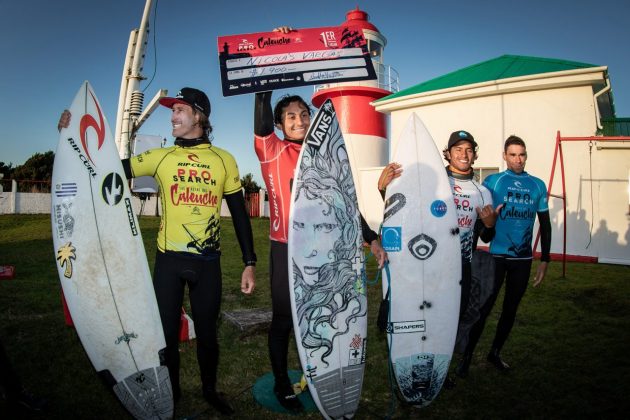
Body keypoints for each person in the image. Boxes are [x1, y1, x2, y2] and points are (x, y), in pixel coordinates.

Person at [58, 87, 256, 416]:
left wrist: (250, 263)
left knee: (208, 334)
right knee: (165, 336)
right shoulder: (160, 157)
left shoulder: (224, 160)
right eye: (172, 111)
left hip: (208, 263)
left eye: (179, 110)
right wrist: (69, 137)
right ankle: (173, 393)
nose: (172, 117)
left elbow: (239, 214)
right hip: (169, 261)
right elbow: (104, 168)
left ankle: (210, 390)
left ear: (199, 116)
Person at [254, 26, 387, 412]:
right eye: (290, 116)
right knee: (284, 319)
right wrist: (277, 50)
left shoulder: (327, 158)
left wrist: (370, 237)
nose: (298, 119)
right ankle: (281, 382)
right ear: (280, 125)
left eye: (303, 113)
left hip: (328, 251)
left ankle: (319, 374)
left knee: (322, 318)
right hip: (285, 249)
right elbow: (261, 108)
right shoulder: (271, 150)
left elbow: (346, 205)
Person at [377, 130, 498, 382]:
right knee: (422, 314)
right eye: (458, 149)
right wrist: (382, 189)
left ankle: (439, 370)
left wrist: (489, 223)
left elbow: (486, 237)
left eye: (468, 149)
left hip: (460, 266)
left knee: (449, 318)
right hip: (428, 263)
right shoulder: (431, 181)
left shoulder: (482, 191)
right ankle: (413, 360)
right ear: (447, 153)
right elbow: (403, 210)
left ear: (474, 155)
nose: (463, 154)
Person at [458, 135, 551, 375]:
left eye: (522, 154)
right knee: (483, 308)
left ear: (526, 155)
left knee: (510, 310)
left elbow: (546, 225)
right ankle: (465, 358)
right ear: (504, 156)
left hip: (522, 260)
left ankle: (495, 353)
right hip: (496, 257)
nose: (518, 160)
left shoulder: (538, 185)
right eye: (513, 154)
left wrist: (545, 260)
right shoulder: (493, 182)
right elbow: (480, 218)